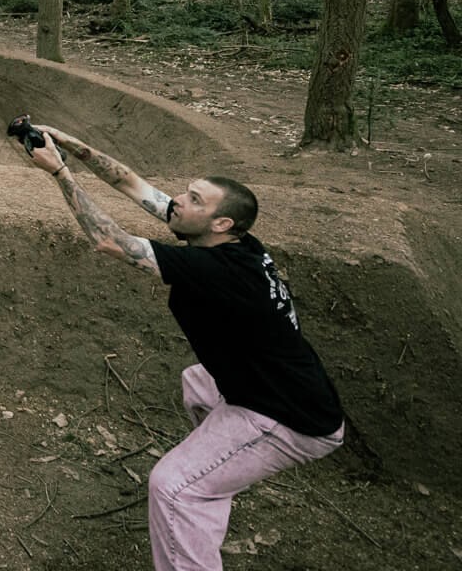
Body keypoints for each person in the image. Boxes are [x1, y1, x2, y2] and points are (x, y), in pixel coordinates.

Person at [24, 124, 344, 571]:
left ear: (221, 223)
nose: (177, 200)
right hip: (273, 388)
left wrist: (60, 173)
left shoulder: (216, 270)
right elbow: (131, 183)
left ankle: (198, 498)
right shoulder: (233, 242)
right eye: (186, 192)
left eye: (194, 199)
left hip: (288, 417)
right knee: (198, 382)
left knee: (174, 486)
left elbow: (109, 240)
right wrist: (67, 143)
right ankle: (211, 488)